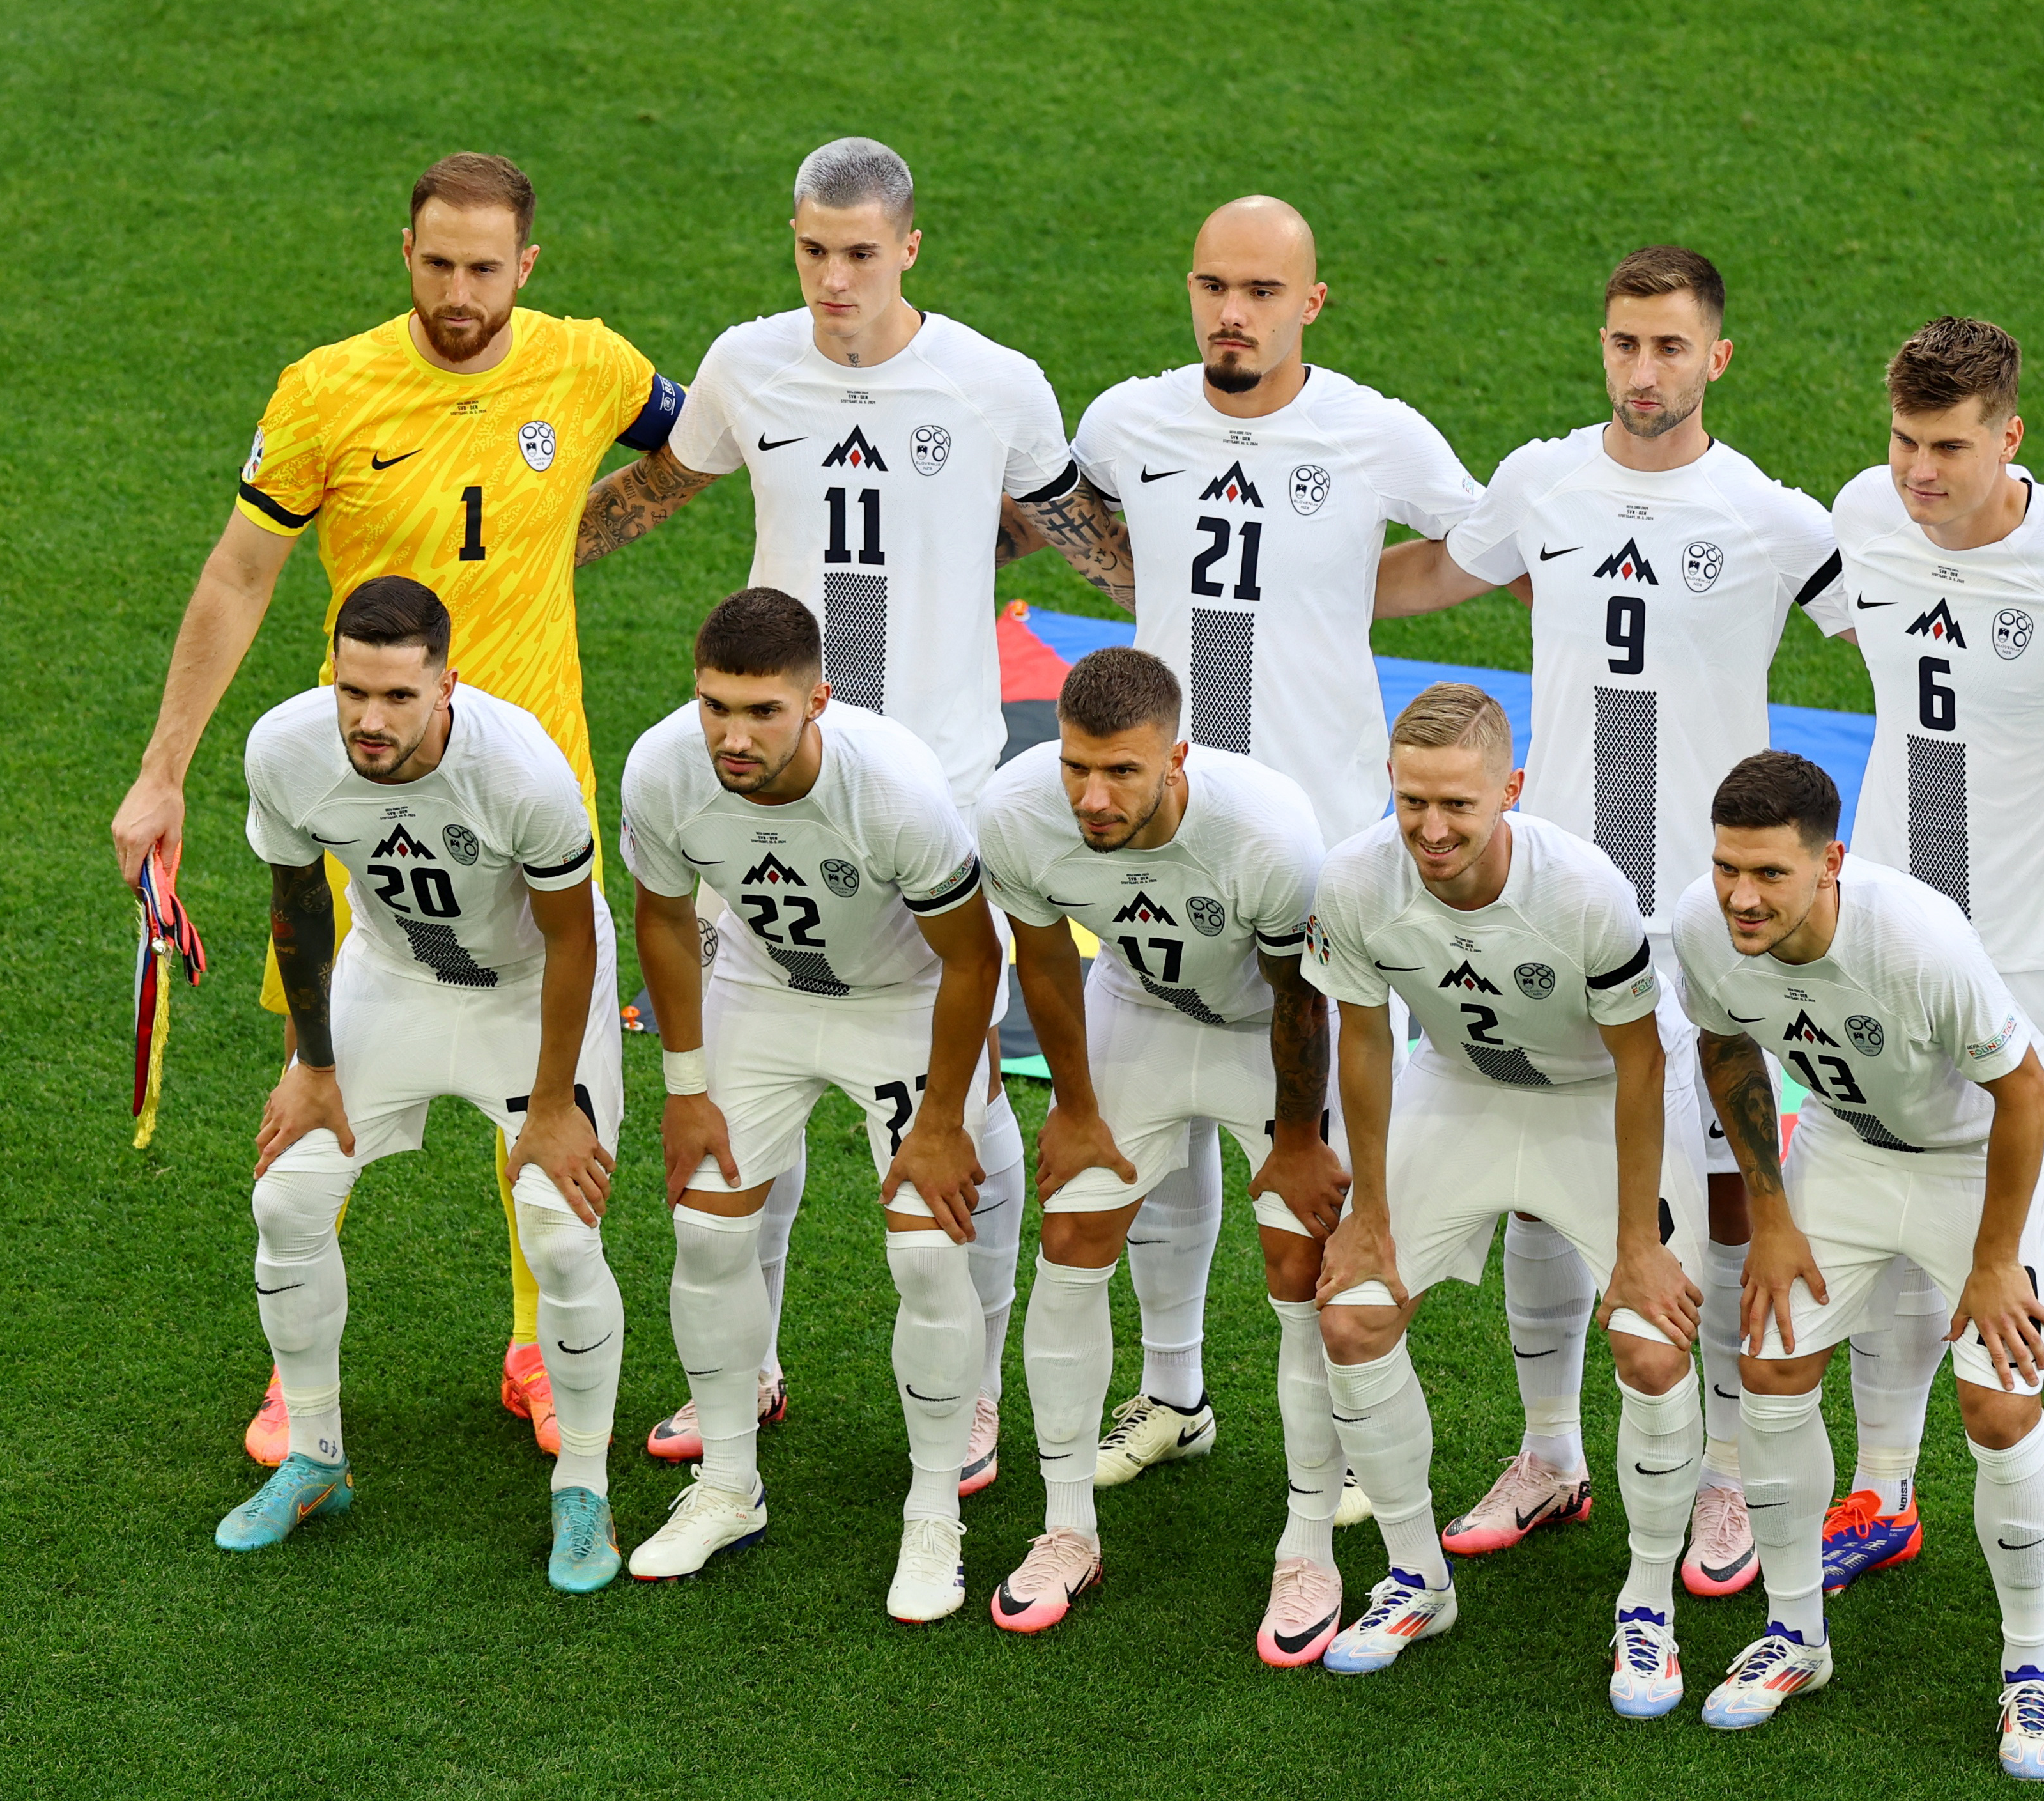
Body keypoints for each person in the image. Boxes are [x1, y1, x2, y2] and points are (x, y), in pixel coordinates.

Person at [578, 135, 1135, 1490]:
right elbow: (656, 494)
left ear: (909, 249)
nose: (835, 282)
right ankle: (747, 1363)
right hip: (766, 780)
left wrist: (1225, 612)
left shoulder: (995, 382)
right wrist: (508, 571)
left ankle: (978, 1395)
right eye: (814, 253)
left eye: (861, 256)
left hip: (935, 785)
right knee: (748, 1071)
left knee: (959, 1114)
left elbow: (1071, 528)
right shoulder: (745, 363)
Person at [109, 153, 682, 1467]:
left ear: (527, 267)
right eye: (437, 263)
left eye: (486, 267)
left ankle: (537, 1348)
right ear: (406, 251)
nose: (459, 291)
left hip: (531, 791)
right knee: (324, 1074)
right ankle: (293, 1370)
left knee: (542, 1086)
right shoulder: (330, 388)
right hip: (360, 796)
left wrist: (592, 528)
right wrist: (163, 768)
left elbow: (705, 442)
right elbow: (240, 575)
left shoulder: (588, 364)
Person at [1372, 247, 1844, 1594]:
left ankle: (1728, 1471)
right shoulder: (1540, 484)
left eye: (1671, 348)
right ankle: (1549, 1454)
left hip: (1712, 914)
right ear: (1605, 348)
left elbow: (1900, 634)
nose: (1646, 372)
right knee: (1542, 1165)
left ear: (1717, 359)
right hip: (1561, 901)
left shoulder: (1772, 518)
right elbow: (1430, 578)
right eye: (1625, 345)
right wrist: (1275, 583)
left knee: (1711, 1185)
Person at [1034, 196, 1479, 1498]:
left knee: (1321, 1158)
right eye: (1216, 287)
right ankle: (1175, 1393)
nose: (1236, 312)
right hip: (1166, 837)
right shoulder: (1128, 421)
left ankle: (1344, 1436)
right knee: (1155, 1135)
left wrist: (1354, 588)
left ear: (1311, 304)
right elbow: (1085, 521)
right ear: (1190, 290)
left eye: (1264, 292)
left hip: (1317, 848)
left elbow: (1481, 545)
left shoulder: (1374, 430)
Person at [1818, 318, 2044, 1632]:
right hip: (1899, 945)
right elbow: (1889, 661)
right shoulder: (1867, 515)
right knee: (1901, 1205)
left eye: (1950, 447)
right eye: (1906, 441)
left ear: (2010, 438)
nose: (1920, 471)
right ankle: (1884, 1492)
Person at [215, 577, 626, 1593]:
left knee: (562, 1229)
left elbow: (574, 937)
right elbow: (300, 899)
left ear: (449, 684)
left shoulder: (522, 768)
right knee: (287, 1197)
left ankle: (585, 1486)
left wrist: (553, 1105)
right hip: (391, 979)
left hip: (529, 991)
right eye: (354, 690)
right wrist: (313, 1067)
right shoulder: (286, 748)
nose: (369, 718)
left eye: (399, 695)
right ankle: (315, 1459)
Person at [1303, 684, 1707, 1716]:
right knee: (1350, 1317)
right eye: (1411, 802)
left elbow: (1640, 1062)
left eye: (1458, 806)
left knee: (1651, 1343)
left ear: (1510, 792)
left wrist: (1636, 1244)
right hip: (1464, 1086)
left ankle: (1648, 1602)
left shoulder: (1582, 889)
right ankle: (1414, 1578)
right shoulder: (1354, 879)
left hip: (1596, 1100)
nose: (1432, 829)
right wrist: (1371, 1211)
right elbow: (1361, 1036)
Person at [1680, 750, 2044, 1779]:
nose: (1741, 895)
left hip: (1980, 1155)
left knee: (1998, 1408)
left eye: (1769, 873)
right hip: (1848, 1149)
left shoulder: (1914, 941)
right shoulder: (1703, 925)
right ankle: (1795, 1633)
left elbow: (2028, 1092)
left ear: (1832, 864)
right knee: (1768, 1367)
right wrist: (1768, 1210)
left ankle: (2031, 1670)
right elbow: (1725, 1045)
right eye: (1729, 866)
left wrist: (1996, 1264)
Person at [617, 588, 1003, 1618]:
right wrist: (686, 1087)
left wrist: (940, 1121)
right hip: (762, 990)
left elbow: (975, 957)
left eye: (762, 713)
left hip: (900, 998)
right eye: (714, 706)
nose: (732, 737)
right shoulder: (663, 768)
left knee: (928, 1251)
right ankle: (729, 1486)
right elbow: (660, 917)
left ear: (818, 702)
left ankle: (933, 1515)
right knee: (703, 1233)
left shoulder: (896, 791)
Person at [976, 647, 1349, 1657]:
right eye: (1076, 766)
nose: (1093, 798)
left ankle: (1310, 1538)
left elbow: (1300, 995)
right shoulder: (1016, 814)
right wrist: (1078, 1106)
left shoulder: (1266, 833)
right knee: (1070, 1247)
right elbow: (1045, 959)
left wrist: (1302, 1136)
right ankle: (1065, 1529)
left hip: (1263, 1032)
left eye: (1123, 773)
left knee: (1301, 1269)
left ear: (1177, 758)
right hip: (1136, 1009)